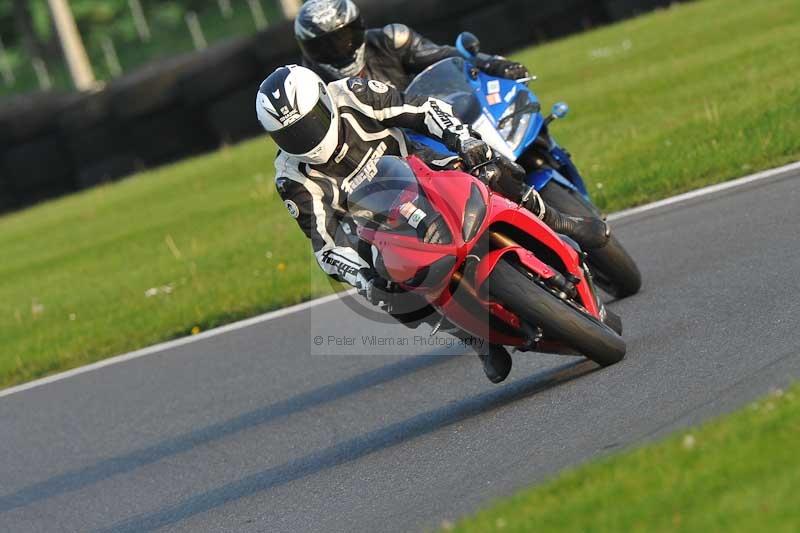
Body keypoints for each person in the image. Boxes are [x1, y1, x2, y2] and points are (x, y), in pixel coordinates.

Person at [256, 65, 608, 383]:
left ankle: (561, 220)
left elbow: (423, 110)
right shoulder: (291, 178)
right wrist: (362, 275)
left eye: (309, 123)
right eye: (292, 134)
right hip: (379, 225)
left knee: (494, 168)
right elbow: (325, 245)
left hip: (421, 170)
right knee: (384, 294)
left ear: (324, 100)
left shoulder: (353, 93)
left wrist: (464, 140)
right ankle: (474, 338)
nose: (307, 138)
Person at [294, 0, 528, 90]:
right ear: (309, 50)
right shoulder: (307, 84)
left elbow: (445, 56)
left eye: (343, 39)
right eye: (325, 46)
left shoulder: (390, 40)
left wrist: (492, 64)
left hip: (432, 130)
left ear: (359, 29)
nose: (338, 50)